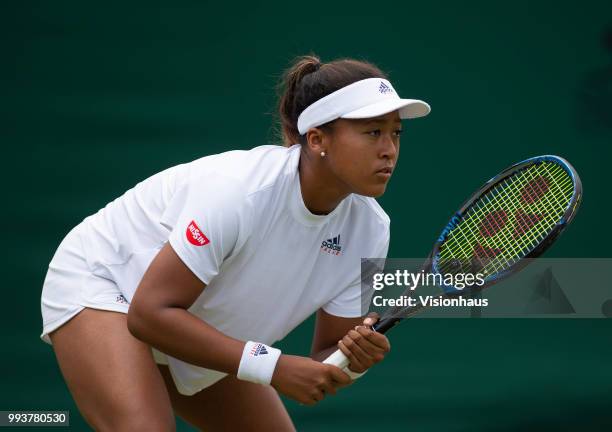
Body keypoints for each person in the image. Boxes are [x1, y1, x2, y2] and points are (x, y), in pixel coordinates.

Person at [40, 54, 430, 431]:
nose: (389, 150)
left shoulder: (372, 229)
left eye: (396, 133)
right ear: (316, 140)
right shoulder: (238, 193)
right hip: (107, 285)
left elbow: (328, 354)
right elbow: (149, 313)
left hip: (193, 319)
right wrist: (274, 367)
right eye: (372, 132)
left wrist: (354, 361)